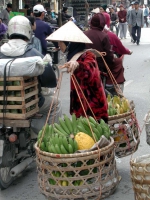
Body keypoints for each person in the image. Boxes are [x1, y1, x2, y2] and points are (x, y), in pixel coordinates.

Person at [0, 16, 62, 134]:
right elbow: (50, 80)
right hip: (30, 102)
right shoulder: (32, 53)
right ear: (28, 31)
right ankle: (53, 139)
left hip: (2, 104)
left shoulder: (1, 51)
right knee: (56, 104)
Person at [46, 21, 108, 122]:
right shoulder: (74, 56)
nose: (58, 45)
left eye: (60, 42)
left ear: (69, 43)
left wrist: (78, 65)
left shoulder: (88, 55)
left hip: (93, 111)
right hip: (81, 109)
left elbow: (89, 70)